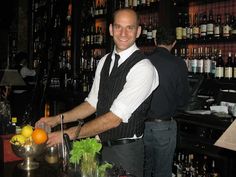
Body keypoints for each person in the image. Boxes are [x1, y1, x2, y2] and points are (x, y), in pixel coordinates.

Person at [35, 8, 159, 177]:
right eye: (118, 27)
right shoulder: (104, 61)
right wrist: (55, 120)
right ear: (110, 29)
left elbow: (114, 119)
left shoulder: (143, 68)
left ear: (138, 31)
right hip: (99, 147)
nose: (123, 33)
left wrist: (66, 134)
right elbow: (92, 103)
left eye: (129, 27)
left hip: (125, 151)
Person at [143, 27, 189, 177]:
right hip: (164, 126)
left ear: (155, 41)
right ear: (174, 43)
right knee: (162, 172)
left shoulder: (143, 60)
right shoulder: (178, 63)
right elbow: (183, 99)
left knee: (143, 169)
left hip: (140, 125)